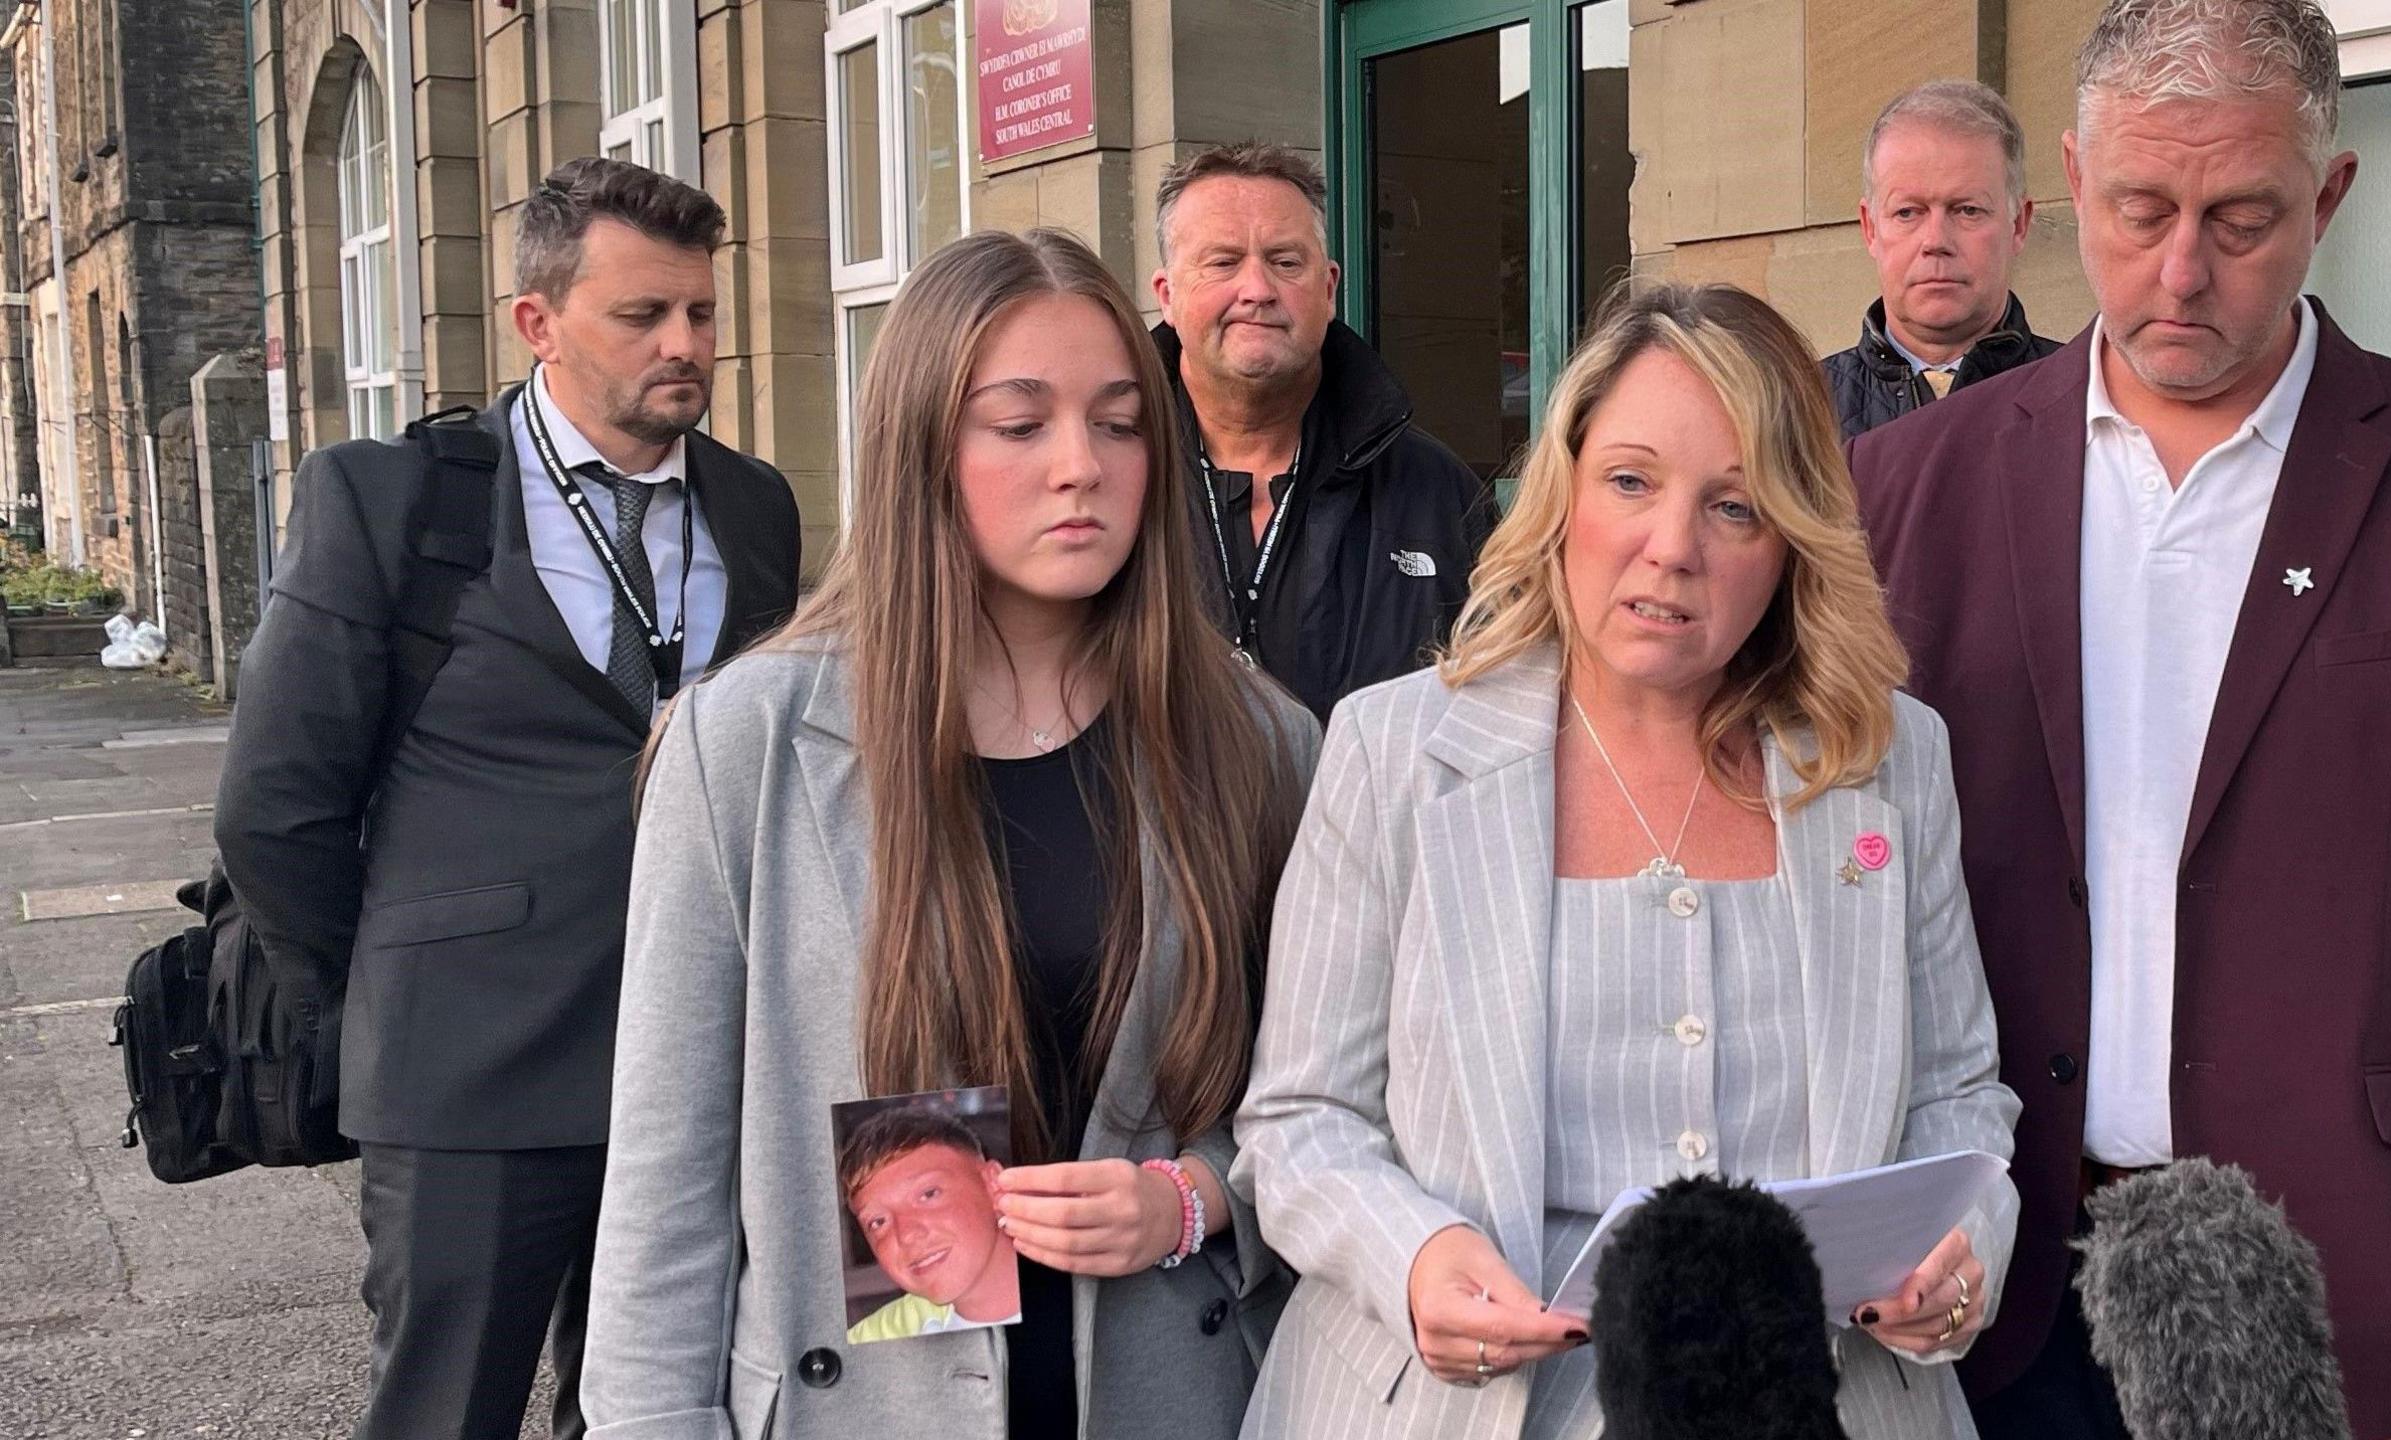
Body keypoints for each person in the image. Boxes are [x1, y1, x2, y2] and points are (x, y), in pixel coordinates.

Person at [1847, 2, 2391, 1436]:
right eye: (2140, 208)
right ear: (2073, 180)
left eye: (2241, 217)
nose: (2181, 271)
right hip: (1992, 1297)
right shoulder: (1900, 489)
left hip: (2354, 1294)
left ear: (2332, 195)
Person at [1234, 282, 2022, 1440]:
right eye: (1631, 482)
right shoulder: (1395, 751)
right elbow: (1299, 1116)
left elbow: (1960, 1093)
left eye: (1735, 507)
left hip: (1823, 1400)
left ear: (1794, 540)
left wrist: (1962, 1256)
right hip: (1466, 1408)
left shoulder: (1890, 761)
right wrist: (1415, 1257)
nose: (1671, 549)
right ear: (1561, 494)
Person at [580, 228, 1322, 1440]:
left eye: (1121, 421)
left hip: (1173, 1393)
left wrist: (1193, 1200)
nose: (1081, 465)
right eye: (1021, 424)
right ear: (923, 443)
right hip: (863, 1399)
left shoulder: (1257, 741)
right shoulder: (747, 744)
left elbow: (1331, 1101)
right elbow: (666, 1190)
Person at [213, 157, 802, 1440]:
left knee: (663, 1409)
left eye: (701, 313)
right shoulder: (396, 499)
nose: (687, 345)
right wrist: (375, 1004)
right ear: (538, 321)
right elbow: (275, 806)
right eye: (643, 316)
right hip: (468, 1075)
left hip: (702, 1061)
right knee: (447, 1415)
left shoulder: (756, 509)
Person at [1150, 141, 1497, 722]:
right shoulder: (1108, 481)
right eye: (1222, 262)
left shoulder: (1438, 496)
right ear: (1167, 296)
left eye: (1286, 262)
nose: (1257, 290)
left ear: (1329, 287)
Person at [1824, 81, 2063, 439]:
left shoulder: (2083, 399)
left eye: (1967, 210)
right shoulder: (1799, 409)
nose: (1935, 241)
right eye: (1907, 213)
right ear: (1870, 227)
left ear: (2019, 224)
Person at [840, 1109, 1023, 1344]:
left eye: (928, 1194)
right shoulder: (871, 1340)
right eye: (878, 1222)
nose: (906, 1235)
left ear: (992, 1185)